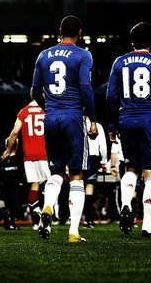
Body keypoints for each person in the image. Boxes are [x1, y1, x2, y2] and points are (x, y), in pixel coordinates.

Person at [106, 21, 151, 238]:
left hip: (126, 119)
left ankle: (127, 203)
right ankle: (147, 226)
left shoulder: (119, 62)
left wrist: (111, 125)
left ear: (131, 40)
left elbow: (111, 96)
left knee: (130, 167)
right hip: (149, 120)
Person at [31, 15, 98, 244]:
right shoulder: (83, 55)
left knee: (56, 172)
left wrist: (48, 107)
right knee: (77, 175)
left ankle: (48, 206)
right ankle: (73, 232)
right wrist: (92, 119)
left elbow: (34, 91)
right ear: (80, 32)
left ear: (60, 31)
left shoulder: (43, 55)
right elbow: (86, 88)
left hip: (50, 118)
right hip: (72, 116)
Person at [3, 99, 50, 230]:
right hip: (45, 153)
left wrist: (8, 150)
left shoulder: (23, 112)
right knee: (50, 184)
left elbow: (14, 133)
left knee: (34, 185)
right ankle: (49, 215)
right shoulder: (47, 109)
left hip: (29, 154)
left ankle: (36, 220)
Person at [83, 117, 107, 228]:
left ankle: (75, 217)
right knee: (90, 185)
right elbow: (103, 147)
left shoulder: (76, 122)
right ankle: (89, 219)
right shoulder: (98, 126)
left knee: (76, 185)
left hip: (79, 156)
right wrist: (103, 161)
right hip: (93, 157)